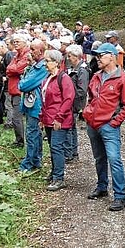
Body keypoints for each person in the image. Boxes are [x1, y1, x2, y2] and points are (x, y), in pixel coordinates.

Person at [82, 43, 125, 212]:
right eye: (96, 56)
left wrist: (115, 122)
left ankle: (120, 196)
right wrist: (88, 113)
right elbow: (91, 98)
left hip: (108, 126)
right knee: (99, 158)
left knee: (114, 159)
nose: (97, 59)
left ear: (111, 56)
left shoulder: (123, 78)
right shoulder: (96, 76)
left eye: (100, 55)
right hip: (93, 124)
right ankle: (102, 186)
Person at [39, 49, 76, 191]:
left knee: (56, 147)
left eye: (47, 61)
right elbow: (44, 100)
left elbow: (68, 99)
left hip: (60, 120)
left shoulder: (64, 78)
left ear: (56, 62)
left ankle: (59, 178)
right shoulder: (48, 78)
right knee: (52, 147)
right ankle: (54, 173)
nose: (45, 63)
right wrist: (42, 118)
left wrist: (59, 117)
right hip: (49, 118)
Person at [18, 39, 49, 175]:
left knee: (32, 134)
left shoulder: (41, 68)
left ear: (40, 51)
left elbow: (24, 85)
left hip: (36, 106)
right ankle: (36, 160)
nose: (30, 52)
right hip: (31, 104)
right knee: (34, 134)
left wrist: (22, 82)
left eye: (32, 50)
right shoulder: (34, 65)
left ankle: (29, 162)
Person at [65, 44, 89, 163]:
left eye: (69, 56)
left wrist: (70, 99)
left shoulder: (82, 70)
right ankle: (72, 152)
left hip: (75, 103)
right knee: (71, 127)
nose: (68, 58)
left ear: (76, 56)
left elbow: (82, 90)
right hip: (72, 101)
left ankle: (70, 153)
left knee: (69, 127)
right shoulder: (73, 68)